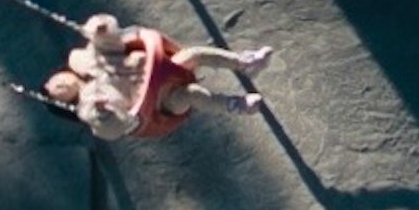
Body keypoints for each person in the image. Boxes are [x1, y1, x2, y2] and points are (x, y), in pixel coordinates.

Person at [40, 9, 270, 139]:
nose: (57, 85)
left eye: (54, 81)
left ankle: (243, 62)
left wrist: (102, 30)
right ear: (64, 103)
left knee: (194, 54)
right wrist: (104, 113)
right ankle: (234, 104)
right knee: (191, 94)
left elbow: (110, 45)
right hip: (160, 101)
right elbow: (112, 130)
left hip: (159, 66)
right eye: (56, 92)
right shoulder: (89, 108)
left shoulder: (85, 61)